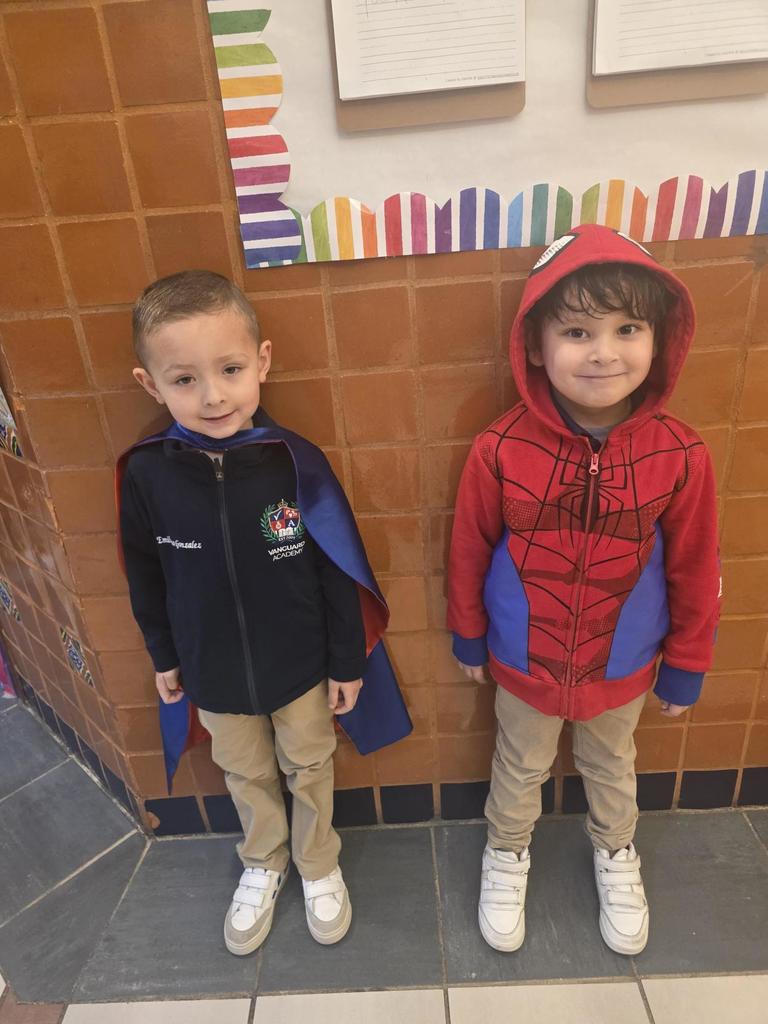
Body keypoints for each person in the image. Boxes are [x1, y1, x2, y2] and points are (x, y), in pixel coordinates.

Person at [118, 270, 410, 956]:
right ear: (150, 385)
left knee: (309, 766)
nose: (213, 395)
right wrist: (164, 654)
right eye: (184, 379)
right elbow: (144, 572)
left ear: (263, 361)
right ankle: (264, 860)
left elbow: (337, 569)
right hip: (212, 671)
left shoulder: (294, 463)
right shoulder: (147, 473)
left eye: (230, 369)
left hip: (301, 666)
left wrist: (345, 662)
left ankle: (318, 862)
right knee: (245, 772)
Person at [447, 225, 720, 956]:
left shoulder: (681, 454)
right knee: (519, 764)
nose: (603, 352)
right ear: (535, 347)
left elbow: (697, 567)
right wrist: (468, 633)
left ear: (660, 339)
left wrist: (688, 663)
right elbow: (468, 547)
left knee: (612, 763)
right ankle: (506, 852)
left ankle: (616, 851)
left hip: (623, 663)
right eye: (577, 331)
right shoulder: (500, 448)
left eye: (628, 329)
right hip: (522, 658)